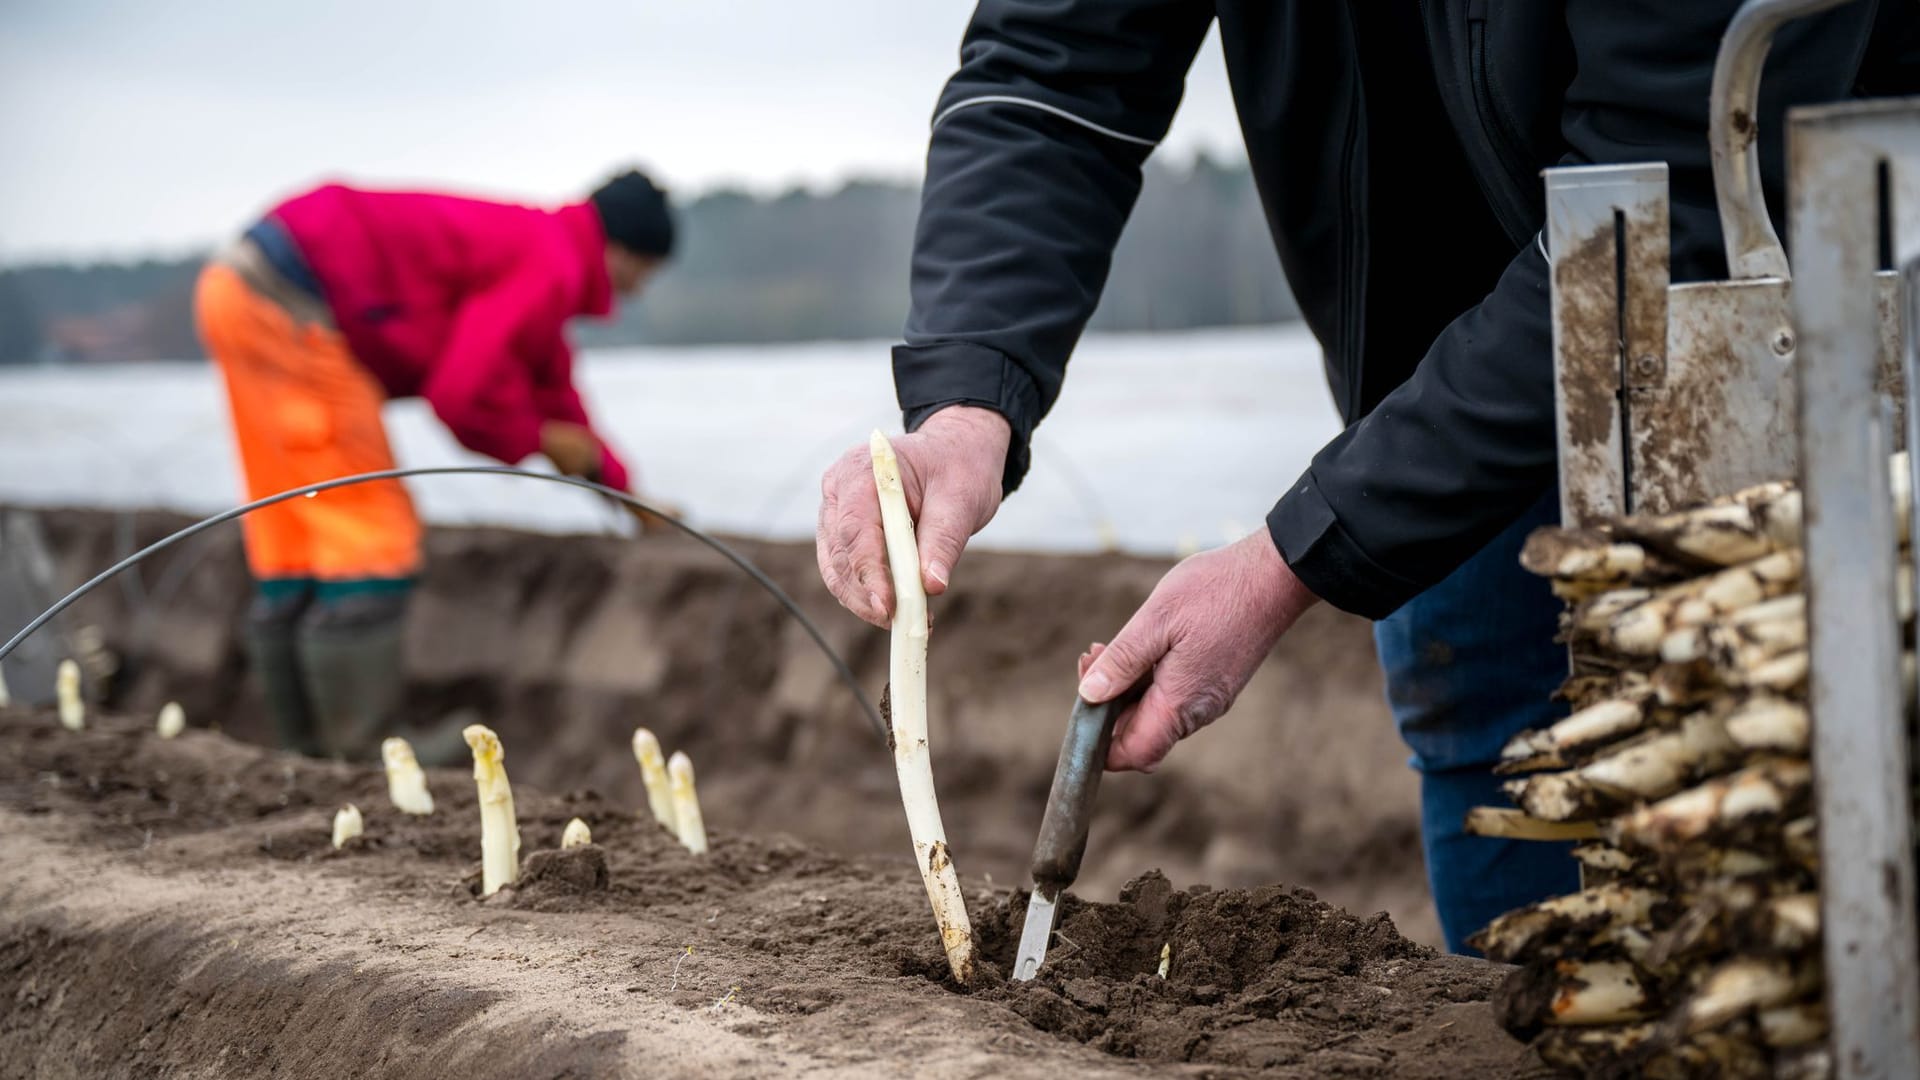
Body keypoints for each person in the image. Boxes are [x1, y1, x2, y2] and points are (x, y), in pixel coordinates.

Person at [814, 2, 1919, 953]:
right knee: (1497, 741)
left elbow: (1669, 216)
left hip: (1787, 319)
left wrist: (1293, 555)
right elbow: (1053, 72)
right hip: (1438, 351)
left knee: (1803, 781)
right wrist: (968, 399)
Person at [194, 169, 675, 762]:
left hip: (237, 288)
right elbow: (460, 394)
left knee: (295, 529)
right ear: (622, 251)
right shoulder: (551, 263)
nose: (636, 292)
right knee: (371, 533)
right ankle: (364, 753)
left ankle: (304, 752)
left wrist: (628, 495)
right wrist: (538, 438)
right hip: (300, 304)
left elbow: (555, 390)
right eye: (644, 273)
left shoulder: (539, 245)